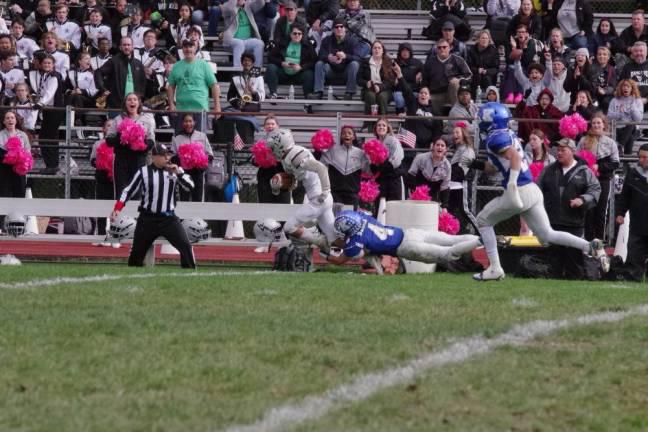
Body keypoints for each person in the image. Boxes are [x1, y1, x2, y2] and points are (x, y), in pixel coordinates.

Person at [464, 102, 608, 280]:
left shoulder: (495, 138)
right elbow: (495, 166)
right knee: (547, 234)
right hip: (532, 190)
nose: (480, 120)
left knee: (483, 221)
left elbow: (515, 158)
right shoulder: (508, 135)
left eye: (483, 117)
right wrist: (473, 164)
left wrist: (511, 185)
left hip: (519, 190)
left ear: (492, 120)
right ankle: (589, 247)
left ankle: (494, 267)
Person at [110, 143, 196, 268]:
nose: (167, 158)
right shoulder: (143, 171)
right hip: (147, 219)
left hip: (168, 218)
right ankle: (133, 274)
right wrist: (117, 208)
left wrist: (179, 173)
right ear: (154, 156)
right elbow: (128, 191)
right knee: (136, 254)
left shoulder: (175, 170)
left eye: (168, 155)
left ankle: (189, 273)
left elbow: (190, 187)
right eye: (163, 155)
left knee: (185, 246)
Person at [537, 138, 601, 279]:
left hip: (574, 222)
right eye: (557, 150)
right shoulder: (548, 170)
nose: (559, 153)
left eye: (563, 150)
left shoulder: (584, 171)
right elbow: (536, 190)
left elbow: (595, 190)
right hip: (551, 222)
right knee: (554, 261)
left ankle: (575, 283)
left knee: (574, 261)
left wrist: (582, 199)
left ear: (572, 151)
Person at [324, 210, 481, 268]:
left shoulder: (356, 241)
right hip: (410, 232)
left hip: (406, 247)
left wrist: (326, 253)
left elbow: (339, 260)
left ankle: (481, 242)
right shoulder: (363, 218)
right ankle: (485, 238)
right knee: (453, 239)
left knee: (448, 254)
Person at [265, 128, 337, 249]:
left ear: (280, 144)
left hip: (319, 199)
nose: (272, 151)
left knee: (289, 227)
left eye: (273, 147)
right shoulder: (288, 156)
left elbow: (321, 168)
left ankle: (320, 242)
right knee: (334, 239)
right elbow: (295, 181)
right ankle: (366, 252)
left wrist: (325, 191)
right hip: (318, 198)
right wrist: (281, 184)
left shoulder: (296, 156)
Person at [577, 112, 620, 241]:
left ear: (604, 125)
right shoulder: (584, 140)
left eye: (598, 123)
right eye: (594, 123)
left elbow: (615, 163)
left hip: (603, 181)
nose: (596, 125)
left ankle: (599, 242)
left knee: (601, 212)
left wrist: (599, 167)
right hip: (587, 181)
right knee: (588, 212)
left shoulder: (611, 142)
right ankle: (588, 242)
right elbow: (577, 159)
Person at [105, 92, 156, 198]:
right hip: (121, 159)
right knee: (121, 190)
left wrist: (142, 145)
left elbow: (151, 141)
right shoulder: (118, 119)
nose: (132, 101)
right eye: (129, 99)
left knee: (138, 190)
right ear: (125, 103)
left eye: (134, 99)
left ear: (139, 103)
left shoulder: (147, 119)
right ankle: (120, 213)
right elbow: (109, 140)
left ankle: (134, 214)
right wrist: (122, 138)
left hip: (139, 159)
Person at [167, 39, 221, 132]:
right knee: (181, 140)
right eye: (185, 47)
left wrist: (217, 106)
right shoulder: (176, 66)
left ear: (195, 48)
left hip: (200, 110)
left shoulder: (204, 65)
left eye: (190, 46)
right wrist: (171, 104)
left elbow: (214, 85)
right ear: (182, 49)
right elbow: (171, 86)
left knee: (199, 142)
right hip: (181, 110)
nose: (188, 49)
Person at [615, 143, 648, 281]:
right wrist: (620, 213)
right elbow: (624, 197)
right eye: (640, 157)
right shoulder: (633, 174)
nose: (641, 160)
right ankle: (634, 278)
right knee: (634, 255)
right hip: (637, 224)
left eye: (645, 157)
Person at [29, 53, 65, 174]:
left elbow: (50, 93)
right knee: (50, 137)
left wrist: (40, 103)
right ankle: (52, 164)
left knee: (46, 138)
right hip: (48, 110)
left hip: (54, 110)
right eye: (45, 63)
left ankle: (52, 165)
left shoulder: (54, 76)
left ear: (53, 65)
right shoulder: (44, 75)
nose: (47, 65)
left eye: (49, 63)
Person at [320, 125, 368, 208]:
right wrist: (319, 150)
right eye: (344, 133)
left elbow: (368, 171)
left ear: (353, 137)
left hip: (353, 194)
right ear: (341, 136)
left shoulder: (360, 153)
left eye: (350, 133)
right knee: (336, 218)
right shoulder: (333, 150)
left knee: (351, 219)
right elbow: (321, 165)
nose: (347, 135)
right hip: (335, 193)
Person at [312, 18, 360, 100]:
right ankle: (318, 92)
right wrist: (329, 58)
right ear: (333, 29)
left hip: (346, 72)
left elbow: (358, 58)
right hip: (331, 70)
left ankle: (349, 93)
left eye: (341, 27)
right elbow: (320, 56)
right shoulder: (327, 40)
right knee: (319, 64)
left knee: (355, 64)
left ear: (345, 29)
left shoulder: (352, 41)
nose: (339, 29)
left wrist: (345, 56)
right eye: (336, 27)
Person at [265, 23, 316, 99]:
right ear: (290, 34)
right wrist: (282, 63)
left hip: (299, 74)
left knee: (309, 74)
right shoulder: (282, 43)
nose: (297, 35)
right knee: (270, 67)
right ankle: (273, 93)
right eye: (295, 33)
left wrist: (301, 67)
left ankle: (308, 98)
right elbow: (270, 57)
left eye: (299, 34)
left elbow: (314, 61)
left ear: (302, 35)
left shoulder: (308, 45)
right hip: (283, 72)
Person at [94, 37, 147, 110]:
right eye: (124, 45)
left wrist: (141, 96)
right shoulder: (113, 61)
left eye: (128, 45)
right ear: (120, 47)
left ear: (132, 47)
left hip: (134, 105)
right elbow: (98, 72)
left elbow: (143, 83)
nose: (126, 47)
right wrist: (103, 89)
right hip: (116, 104)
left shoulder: (138, 63)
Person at [171, 113, 214, 202]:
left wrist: (202, 164)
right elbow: (172, 156)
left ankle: (197, 216)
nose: (188, 124)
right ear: (182, 123)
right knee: (184, 198)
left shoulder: (202, 136)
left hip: (198, 172)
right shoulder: (177, 138)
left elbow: (210, 154)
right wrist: (182, 158)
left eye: (190, 121)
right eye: (186, 121)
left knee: (197, 198)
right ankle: (183, 216)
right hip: (183, 173)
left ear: (194, 122)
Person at [422, 38, 472, 107]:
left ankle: (458, 113)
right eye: (439, 48)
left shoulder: (458, 60)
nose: (442, 49)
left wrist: (459, 79)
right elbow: (424, 80)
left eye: (444, 47)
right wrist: (425, 91)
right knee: (423, 97)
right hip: (435, 94)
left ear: (450, 48)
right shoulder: (430, 62)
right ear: (436, 50)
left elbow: (469, 75)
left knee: (454, 84)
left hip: (452, 93)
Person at [90, 120, 116, 245]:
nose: (110, 128)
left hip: (116, 179)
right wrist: (101, 163)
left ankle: (114, 236)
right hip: (102, 177)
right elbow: (92, 160)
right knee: (101, 206)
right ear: (103, 129)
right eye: (108, 126)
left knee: (115, 208)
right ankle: (100, 235)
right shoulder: (98, 143)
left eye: (112, 126)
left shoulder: (119, 144)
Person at [256, 114, 291, 204]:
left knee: (283, 206)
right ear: (264, 127)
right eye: (267, 124)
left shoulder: (286, 139)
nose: (270, 126)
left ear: (277, 126)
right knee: (265, 205)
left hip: (282, 174)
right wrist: (260, 159)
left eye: (272, 124)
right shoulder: (260, 142)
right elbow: (255, 162)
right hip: (265, 177)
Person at [406, 138, 451, 207]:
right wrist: (417, 192)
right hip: (416, 192)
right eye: (437, 145)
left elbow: (445, 187)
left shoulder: (447, 166)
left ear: (446, 149)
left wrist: (444, 206)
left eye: (442, 146)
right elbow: (410, 176)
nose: (440, 147)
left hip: (433, 196)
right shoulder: (420, 158)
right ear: (433, 147)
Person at [357, 40, 396, 116]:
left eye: (379, 48)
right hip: (369, 89)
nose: (377, 50)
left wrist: (379, 87)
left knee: (382, 97)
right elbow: (358, 79)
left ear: (382, 51)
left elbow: (391, 81)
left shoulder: (388, 62)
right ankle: (369, 123)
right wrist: (366, 83)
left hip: (384, 89)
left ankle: (383, 121)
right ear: (372, 50)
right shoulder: (365, 62)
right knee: (370, 96)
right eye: (375, 48)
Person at [221, 0, 266, 68]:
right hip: (232, 40)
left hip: (247, 40)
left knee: (259, 43)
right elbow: (225, 10)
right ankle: (237, 71)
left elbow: (261, 3)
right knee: (239, 43)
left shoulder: (248, 5)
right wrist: (236, 2)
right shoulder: (228, 5)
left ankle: (256, 71)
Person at [370, 117, 404, 204]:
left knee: (393, 207)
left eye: (383, 125)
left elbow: (397, 158)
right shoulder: (373, 142)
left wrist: (383, 167)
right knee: (380, 207)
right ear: (375, 128)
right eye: (379, 125)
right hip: (380, 180)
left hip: (393, 179)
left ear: (388, 128)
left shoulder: (393, 140)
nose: (381, 127)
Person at [0, 111, 31, 200]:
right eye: (7, 118)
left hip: (19, 170)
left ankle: (19, 213)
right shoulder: (0, 135)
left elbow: (27, 151)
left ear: (16, 121)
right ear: (4, 122)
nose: (10, 120)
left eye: (12, 117)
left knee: (20, 192)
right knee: (4, 193)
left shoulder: (23, 135)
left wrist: (24, 161)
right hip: (4, 169)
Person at [608, 79, 644, 155]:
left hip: (633, 129)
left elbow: (638, 119)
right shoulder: (614, 100)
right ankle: (626, 163)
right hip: (617, 129)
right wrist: (620, 114)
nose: (625, 88)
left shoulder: (637, 101)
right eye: (624, 86)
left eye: (628, 86)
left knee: (631, 125)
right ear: (620, 88)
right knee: (630, 138)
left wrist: (632, 107)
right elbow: (609, 117)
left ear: (632, 88)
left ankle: (620, 146)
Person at [467, 30, 500, 99]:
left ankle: (491, 100)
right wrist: (477, 70)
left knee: (486, 78)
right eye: (482, 38)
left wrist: (487, 71)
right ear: (478, 39)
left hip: (489, 76)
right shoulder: (472, 50)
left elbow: (496, 68)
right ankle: (473, 99)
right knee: (477, 77)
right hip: (475, 75)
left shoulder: (493, 51)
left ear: (489, 40)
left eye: (486, 38)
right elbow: (468, 66)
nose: (484, 40)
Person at [392, 43, 423, 114]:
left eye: (407, 51)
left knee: (418, 97)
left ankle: (412, 117)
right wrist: (394, 79)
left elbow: (425, 70)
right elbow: (391, 77)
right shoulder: (395, 63)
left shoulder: (417, 63)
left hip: (414, 90)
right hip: (400, 90)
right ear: (400, 52)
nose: (405, 53)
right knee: (399, 99)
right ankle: (400, 118)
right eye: (403, 51)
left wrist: (421, 73)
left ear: (410, 52)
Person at [589, 46, 617, 111]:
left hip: (607, 95)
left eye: (604, 54)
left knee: (607, 102)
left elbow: (613, 86)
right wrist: (597, 89)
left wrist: (605, 91)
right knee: (594, 104)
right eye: (599, 54)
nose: (602, 56)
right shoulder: (591, 68)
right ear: (596, 56)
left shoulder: (612, 69)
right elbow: (590, 83)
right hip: (594, 94)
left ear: (608, 57)